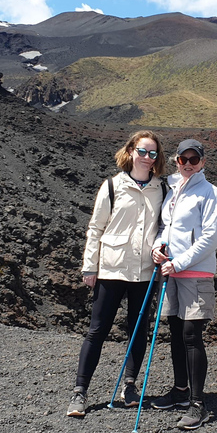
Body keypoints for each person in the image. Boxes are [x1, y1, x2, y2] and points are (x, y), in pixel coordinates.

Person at [67, 130, 168, 417]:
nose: (147, 158)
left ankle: (130, 385)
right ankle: (80, 392)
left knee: (138, 332)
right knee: (97, 330)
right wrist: (90, 266)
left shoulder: (161, 189)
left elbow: (164, 227)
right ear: (131, 151)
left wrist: (161, 247)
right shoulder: (112, 186)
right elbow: (96, 228)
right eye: (142, 151)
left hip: (145, 272)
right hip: (111, 268)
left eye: (153, 153)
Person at [150, 139, 217, 431]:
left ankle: (197, 403)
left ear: (203, 162)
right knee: (177, 331)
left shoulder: (210, 193)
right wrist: (158, 247)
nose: (189, 164)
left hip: (195, 273)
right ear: (176, 161)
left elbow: (210, 238)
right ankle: (180, 391)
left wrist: (178, 263)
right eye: (184, 160)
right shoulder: (172, 191)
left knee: (192, 335)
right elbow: (164, 228)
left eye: (195, 159)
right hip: (171, 272)